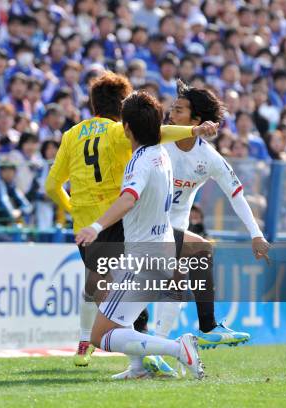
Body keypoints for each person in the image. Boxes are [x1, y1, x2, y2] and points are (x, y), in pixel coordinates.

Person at [45, 72, 218, 368]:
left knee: (98, 289)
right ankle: (165, 348)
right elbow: (158, 133)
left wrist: (73, 208)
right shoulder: (119, 133)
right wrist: (193, 131)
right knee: (132, 300)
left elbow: (51, 186)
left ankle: (92, 344)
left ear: (92, 103)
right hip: (120, 223)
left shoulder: (71, 135)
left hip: (86, 230)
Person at [75, 91, 204, 379]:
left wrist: (95, 227)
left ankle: (177, 348)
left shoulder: (141, 160)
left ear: (127, 128)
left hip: (144, 259)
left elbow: (128, 198)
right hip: (161, 250)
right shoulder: (162, 153)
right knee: (120, 312)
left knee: (101, 335)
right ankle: (137, 367)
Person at [157, 81, 270, 352]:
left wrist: (256, 234)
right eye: (172, 108)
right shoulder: (159, 141)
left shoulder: (209, 158)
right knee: (200, 252)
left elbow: (237, 195)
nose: (172, 113)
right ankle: (206, 327)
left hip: (174, 228)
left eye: (180, 110)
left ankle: (153, 350)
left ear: (197, 118)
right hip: (146, 225)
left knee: (175, 286)